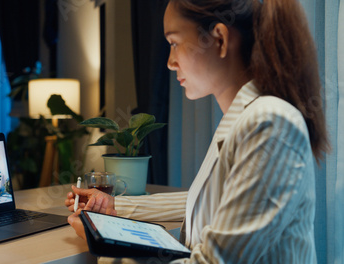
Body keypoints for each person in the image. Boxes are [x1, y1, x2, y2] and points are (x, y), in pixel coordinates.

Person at [65, 0, 330, 262]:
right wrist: (114, 207)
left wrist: (107, 248)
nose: (170, 62)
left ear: (219, 39)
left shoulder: (269, 124)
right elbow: (207, 201)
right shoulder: (244, 119)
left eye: (174, 43)